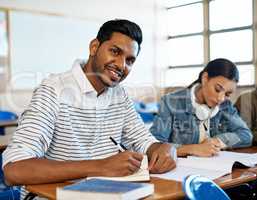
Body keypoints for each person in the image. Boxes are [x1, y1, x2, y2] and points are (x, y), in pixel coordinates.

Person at [2, 19, 176, 199]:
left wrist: (165, 149)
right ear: (94, 47)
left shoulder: (119, 95)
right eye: (115, 51)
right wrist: (101, 166)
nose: (121, 65)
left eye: (130, 60)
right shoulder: (54, 90)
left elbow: (145, 141)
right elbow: (14, 169)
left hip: (107, 193)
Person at [150, 58, 252, 157]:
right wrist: (193, 149)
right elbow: (154, 145)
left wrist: (218, 141)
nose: (221, 99)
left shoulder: (225, 106)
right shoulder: (171, 102)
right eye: (217, 89)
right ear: (205, 78)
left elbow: (246, 135)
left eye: (227, 94)